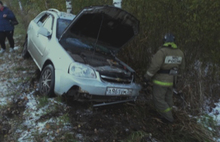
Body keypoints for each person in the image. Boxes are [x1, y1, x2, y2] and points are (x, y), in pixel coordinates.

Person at [144, 33, 185, 123]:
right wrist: (177, 78)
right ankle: (168, 112)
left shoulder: (162, 52)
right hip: (172, 81)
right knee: (168, 98)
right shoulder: (180, 53)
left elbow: (154, 66)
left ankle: (168, 118)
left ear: (164, 41)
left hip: (161, 81)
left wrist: (147, 77)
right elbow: (181, 68)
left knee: (158, 100)